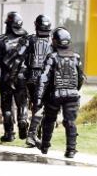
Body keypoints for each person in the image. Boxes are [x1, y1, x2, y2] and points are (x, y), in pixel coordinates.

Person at [35, 27, 83, 158]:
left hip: (55, 95)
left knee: (49, 120)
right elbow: (81, 78)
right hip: (72, 95)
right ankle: (71, 150)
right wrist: (75, 90)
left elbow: (43, 78)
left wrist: (39, 98)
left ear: (56, 41)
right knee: (70, 122)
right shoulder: (76, 57)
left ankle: (45, 146)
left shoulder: (52, 57)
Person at [0, 11, 29, 142]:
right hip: (22, 77)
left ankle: (9, 134)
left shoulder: (1, 40)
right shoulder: (27, 39)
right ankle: (23, 120)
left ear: (8, 24)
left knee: (6, 106)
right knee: (22, 102)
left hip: (6, 78)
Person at [21, 15, 53, 148]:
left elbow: (20, 56)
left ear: (36, 25)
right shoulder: (54, 41)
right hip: (44, 77)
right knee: (40, 106)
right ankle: (34, 134)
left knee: (26, 100)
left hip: (30, 76)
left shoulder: (29, 39)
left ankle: (23, 119)